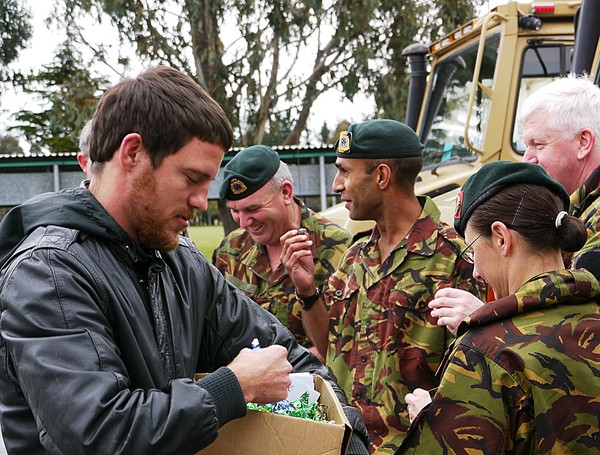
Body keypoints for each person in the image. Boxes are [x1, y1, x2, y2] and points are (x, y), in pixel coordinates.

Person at [0, 65, 369, 454]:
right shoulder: (48, 272)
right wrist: (232, 388)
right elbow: (99, 433)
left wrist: (349, 437)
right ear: (133, 153)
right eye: (192, 179)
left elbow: (282, 352)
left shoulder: (179, 258)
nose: (201, 201)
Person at [281, 119, 485, 453]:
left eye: (345, 172)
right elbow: (330, 345)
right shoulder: (355, 256)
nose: (336, 184)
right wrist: (306, 291)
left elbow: (475, 372)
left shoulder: (455, 258)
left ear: (381, 176)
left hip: (412, 445)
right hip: (344, 441)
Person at [398, 161, 600, 454]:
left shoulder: (487, 353)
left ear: (502, 238)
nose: (476, 272)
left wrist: (435, 421)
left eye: (472, 252)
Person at [430, 74, 600, 334]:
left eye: (538, 144)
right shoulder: (577, 208)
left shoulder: (594, 216)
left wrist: (488, 321)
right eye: (525, 146)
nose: (527, 158)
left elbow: (577, 327)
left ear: (583, 142)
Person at [212, 145, 353, 361]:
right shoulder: (231, 249)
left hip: (313, 387)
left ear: (286, 192)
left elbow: (343, 345)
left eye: (252, 209)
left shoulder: (339, 249)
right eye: (235, 210)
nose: (243, 222)